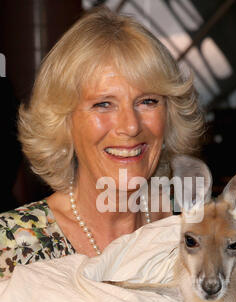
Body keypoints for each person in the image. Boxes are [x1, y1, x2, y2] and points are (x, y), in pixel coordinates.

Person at [0, 5, 204, 280]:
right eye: (103, 104)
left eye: (147, 101)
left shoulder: (203, 225)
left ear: (169, 114)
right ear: (65, 122)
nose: (130, 126)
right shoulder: (10, 248)